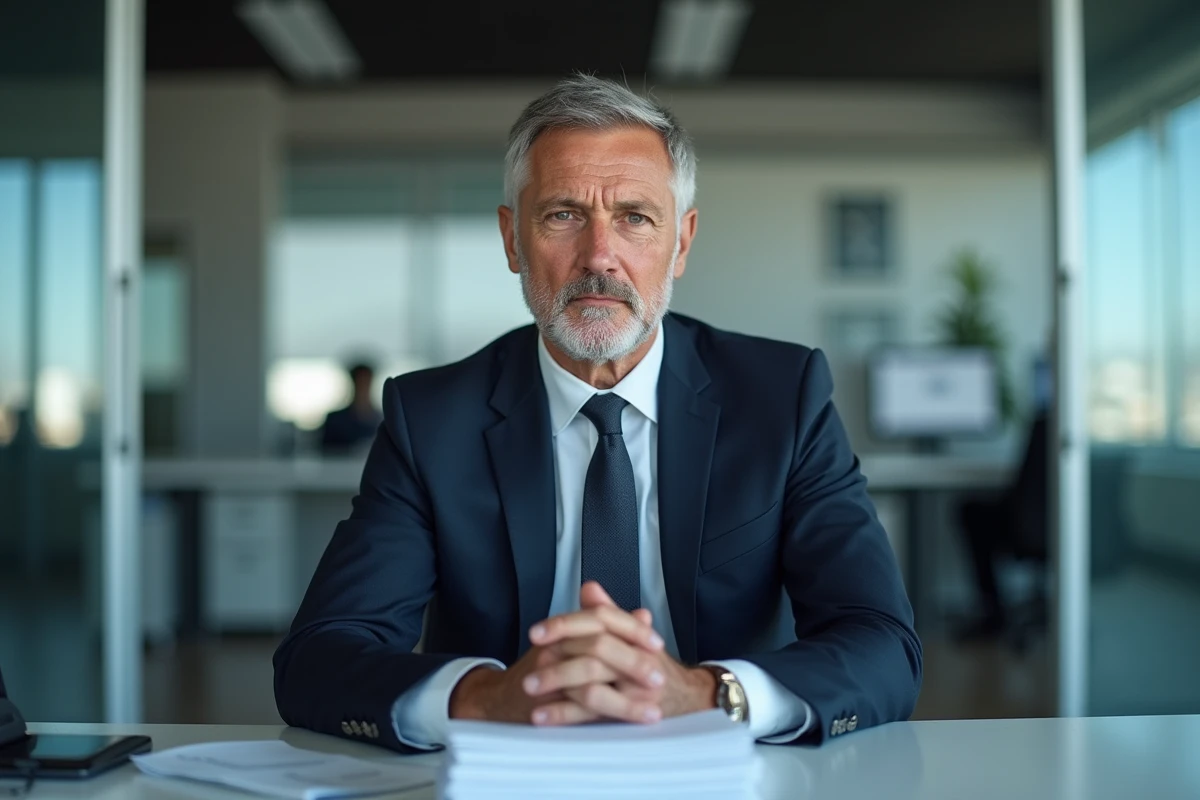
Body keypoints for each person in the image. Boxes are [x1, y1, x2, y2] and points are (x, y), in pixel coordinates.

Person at [274, 75, 921, 752]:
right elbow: (319, 657)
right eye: (562, 214)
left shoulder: (781, 398)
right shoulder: (432, 419)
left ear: (682, 242)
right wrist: (485, 698)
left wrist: (707, 696)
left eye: (635, 217)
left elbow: (882, 643)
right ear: (512, 239)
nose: (599, 257)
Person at [319, 362, 383, 454]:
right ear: (353, 383)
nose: (363, 387)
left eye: (366, 382)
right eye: (360, 382)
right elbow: (326, 453)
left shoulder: (383, 420)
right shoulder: (335, 420)